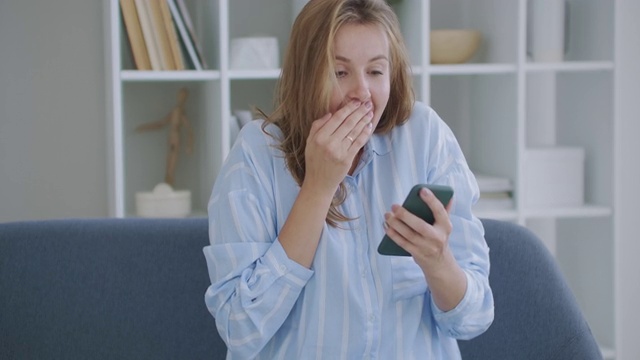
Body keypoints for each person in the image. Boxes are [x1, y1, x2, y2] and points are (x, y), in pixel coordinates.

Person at [203, 0, 494, 358]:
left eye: (375, 72)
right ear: (306, 76)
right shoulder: (255, 154)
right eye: (340, 73)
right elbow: (240, 329)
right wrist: (318, 188)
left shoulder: (425, 136)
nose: (362, 92)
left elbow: (475, 318)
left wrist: (438, 263)